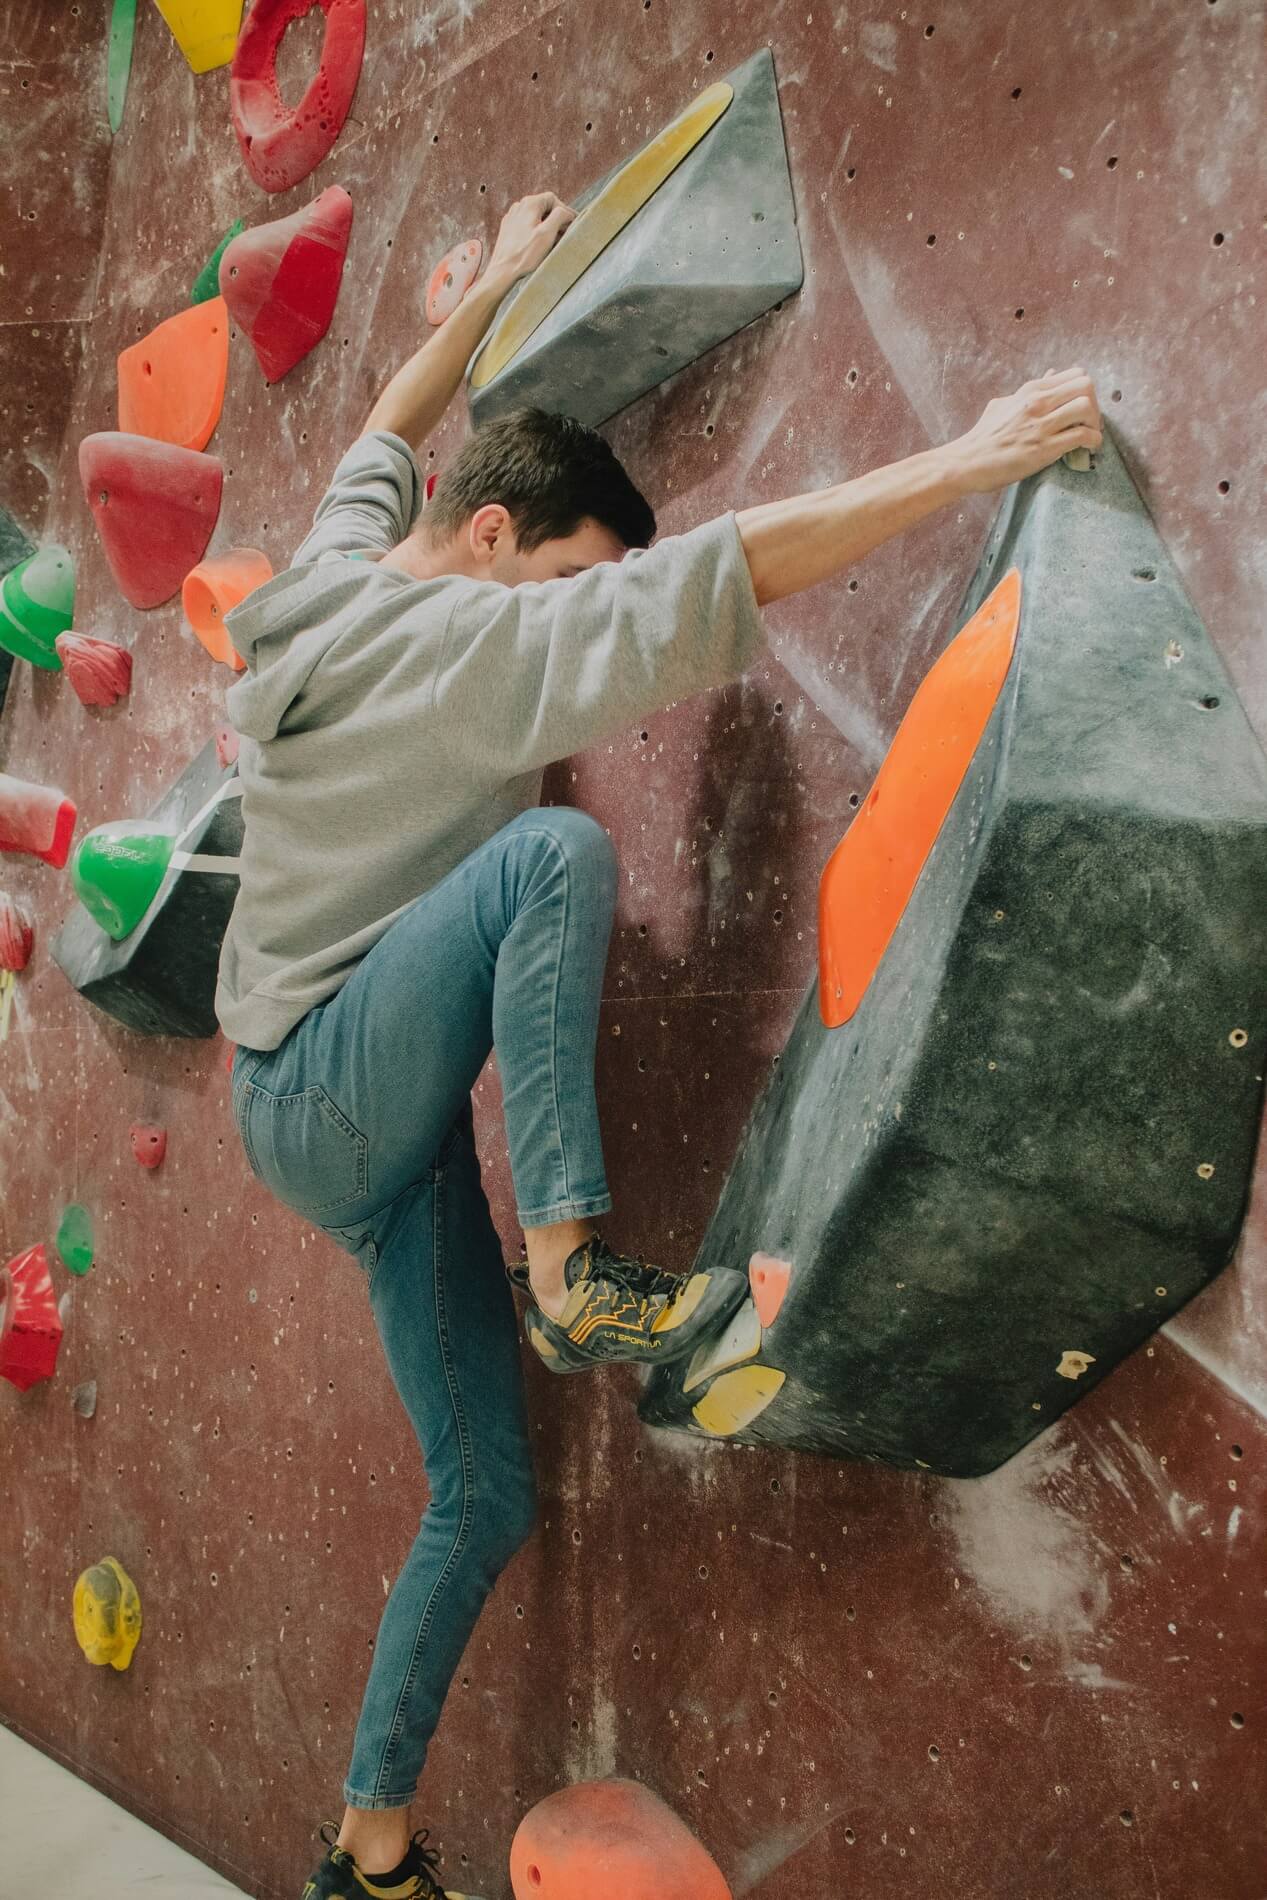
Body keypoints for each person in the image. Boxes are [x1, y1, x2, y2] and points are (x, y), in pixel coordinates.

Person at [216, 191, 1101, 1900]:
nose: (579, 638)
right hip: (329, 1084)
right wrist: (976, 458)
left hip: (337, 1127)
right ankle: (569, 1274)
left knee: (482, 1495)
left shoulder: (326, 575)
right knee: (548, 854)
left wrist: (493, 293)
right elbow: (739, 564)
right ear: (493, 544)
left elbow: (390, 426)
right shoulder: (475, 642)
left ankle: (367, 1852)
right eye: (567, 587)